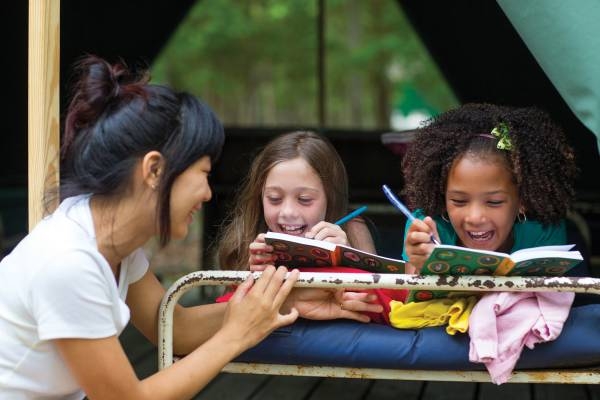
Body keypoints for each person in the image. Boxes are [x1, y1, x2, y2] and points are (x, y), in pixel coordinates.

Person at [0, 56, 362, 399]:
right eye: (203, 174)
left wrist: (293, 297)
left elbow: (177, 331)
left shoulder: (108, 242)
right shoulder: (69, 261)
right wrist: (235, 336)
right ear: (154, 170)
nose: (206, 194)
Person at [214, 130, 407, 324]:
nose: (287, 212)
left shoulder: (352, 228)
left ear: (330, 198)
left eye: (304, 200)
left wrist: (348, 258)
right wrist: (254, 273)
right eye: (274, 199)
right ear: (260, 196)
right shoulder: (248, 235)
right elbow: (225, 316)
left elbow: (380, 304)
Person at [400, 103, 577, 272]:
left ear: (522, 200)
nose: (475, 217)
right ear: (443, 196)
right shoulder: (426, 228)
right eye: (459, 201)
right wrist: (425, 266)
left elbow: (552, 300)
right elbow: (411, 302)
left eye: (494, 202)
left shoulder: (543, 230)